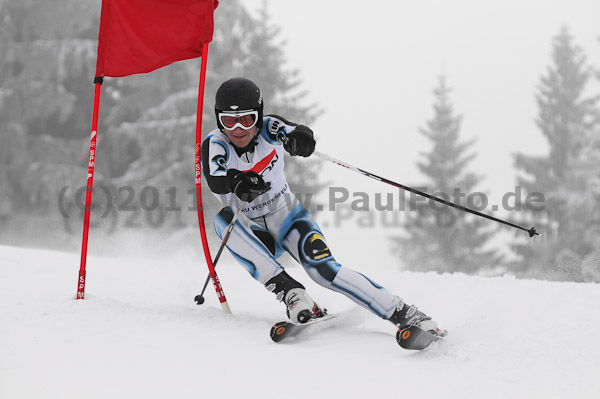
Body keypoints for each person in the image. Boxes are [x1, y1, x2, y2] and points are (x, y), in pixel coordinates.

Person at [202, 77, 443, 333]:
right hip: (254, 234)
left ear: (258, 116)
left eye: (246, 119)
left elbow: (293, 130)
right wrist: (235, 181)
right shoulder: (216, 144)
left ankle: (403, 312)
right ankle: (291, 292)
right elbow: (215, 179)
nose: (238, 129)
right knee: (223, 220)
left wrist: (302, 138)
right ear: (219, 120)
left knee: (323, 270)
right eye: (228, 121)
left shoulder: (268, 127)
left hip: (286, 216)